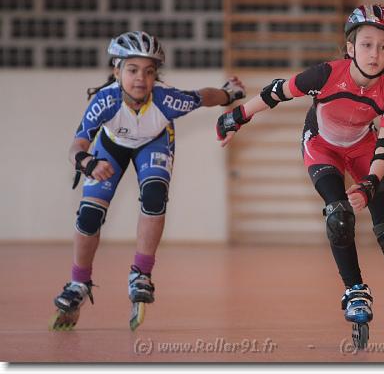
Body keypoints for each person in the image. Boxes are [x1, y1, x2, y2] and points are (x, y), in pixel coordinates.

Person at [216, 4, 384, 348]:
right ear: (350, 47)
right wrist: (236, 117)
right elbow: (276, 92)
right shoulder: (325, 74)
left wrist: (370, 184)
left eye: (383, 47)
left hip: (363, 147)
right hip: (322, 145)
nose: (374, 54)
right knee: (339, 216)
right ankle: (354, 290)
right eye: (366, 45)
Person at [50, 31, 246, 331]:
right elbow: (76, 146)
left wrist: (228, 93)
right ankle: (79, 282)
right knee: (89, 215)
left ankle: (141, 273)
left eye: (149, 71)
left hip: (153, 142)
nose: (141, 78)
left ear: (156, 75)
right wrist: (87, 162)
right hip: (111, 148)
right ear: (117, 71)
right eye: (132, 70)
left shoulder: (166, 99)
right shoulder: (105, 100)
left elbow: (204, 97)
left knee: (155, 196)